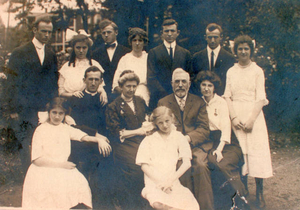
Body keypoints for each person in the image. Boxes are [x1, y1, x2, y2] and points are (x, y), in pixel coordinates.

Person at [22, 97, 111, 209]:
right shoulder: (41, 130)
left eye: (61, 113)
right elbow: (37, 160)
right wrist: (62, 165)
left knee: (81, 184)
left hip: (62, 168)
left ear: (65, 115)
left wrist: (99, 140)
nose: (57, 116)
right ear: (49, 112)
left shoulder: (65, 128)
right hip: (43, 169)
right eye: (54, 112)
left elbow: (84, 137)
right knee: (56, 191)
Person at [223, 35, 273, 209]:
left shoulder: (257, 71)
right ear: (235, 51)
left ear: (251, 50)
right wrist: (234, 117)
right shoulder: (231, 71)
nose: (243, 52)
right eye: (240, 49)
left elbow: (261, 98)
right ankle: (243, 193)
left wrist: (252, 120)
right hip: (236, 115)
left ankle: (259, 193)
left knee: (257, 155)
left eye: (246, 48)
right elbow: (227, 96)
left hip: (254, 117)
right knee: (240, 155)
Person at [7, 16, 58, 176]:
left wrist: (54, 104)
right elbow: (10, 83)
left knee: (45, 141)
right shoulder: (19, 52)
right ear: (35, 30)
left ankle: (43, 175)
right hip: (25, 107)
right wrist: (12, 109)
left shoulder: (50, 54)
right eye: (43, 31)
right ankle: (27, 176)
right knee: (26, 142)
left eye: (49, 32)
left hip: (45, 107)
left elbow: (53, 81)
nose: (47, 35)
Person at [157, 68, 213, 210]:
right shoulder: (163, 102)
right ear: (172, 84)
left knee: (200, 165)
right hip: (174, 148)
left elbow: (204, 129)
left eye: (184, 82)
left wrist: (187, 138)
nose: (180, 85)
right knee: (179, 167)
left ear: (189, 84)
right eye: (177, 82)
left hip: (195, 145)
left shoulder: (198, 102)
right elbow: (161, 129)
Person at [195, 71, 248, 209]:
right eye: (203, 85)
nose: (206, 88)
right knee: (210, 162)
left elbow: (226, 128)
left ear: (214, 87)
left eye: (210, 86)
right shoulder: (198, 102)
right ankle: (224, 201)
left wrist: (219, 149)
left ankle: (240, 196)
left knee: (220, 162)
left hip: (225, 142)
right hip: (208, 140)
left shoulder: (221, 102)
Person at [67, 66, 114, 209]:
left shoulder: (106, 98)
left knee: (104, 170)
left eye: (96, 80)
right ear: (84, 80)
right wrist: (94, 135)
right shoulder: (76, 99)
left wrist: (103, 138)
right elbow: (73, 125)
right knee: (81, 170)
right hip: (82, 141)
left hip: (103, 141)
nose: (93, 83)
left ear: (101, 81)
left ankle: (102, 203)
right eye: (90, 79)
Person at [136, 106, 199, 210]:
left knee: (190, 205)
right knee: (160, 204)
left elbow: (186, 163)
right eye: (160, 123)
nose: (165, 125)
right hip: (154, 183)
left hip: (173, 182)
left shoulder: (179, 137)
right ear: (155, 123)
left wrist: (170, 181)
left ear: (172, 119)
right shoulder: (149, 139)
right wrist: (162, 183)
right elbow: (144, 166)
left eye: (167, 121)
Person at [106, 70, 151, 209]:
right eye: (128, 86)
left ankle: (149, 200)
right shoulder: (113, 106)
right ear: (121, 87)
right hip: (124, 144)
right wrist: (140, 131)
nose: (131, 89)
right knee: (136, 165)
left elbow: (147, 116)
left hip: (143, 140)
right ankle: (132, 204)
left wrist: (147, 123)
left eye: (134, 86)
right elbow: (118, 133)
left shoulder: (140, 101)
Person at [147, 18, 192, 111]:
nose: (170, 34)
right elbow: (151, 78)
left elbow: (190, 76)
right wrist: (167, 94)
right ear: (162, 33)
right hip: (160, 97)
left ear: (178, 32)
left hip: (181, 97)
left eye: (172, 31)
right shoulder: (154, 52)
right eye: (166, 31)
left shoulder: (185, 53)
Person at [58, 33, 107, 104]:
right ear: (73, 48)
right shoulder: (66, 67)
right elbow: (61, 92)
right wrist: (72, 94)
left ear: (88, 48)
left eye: (84, 48)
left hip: (90, 103)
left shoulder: (94, 65)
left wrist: (103, 92)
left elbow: (100, 86)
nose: (81, 51)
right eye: (78, 47)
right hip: (70, 104)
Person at [192, 23, 236, 95]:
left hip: (222, 97)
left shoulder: (229, 58)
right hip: (201, 98)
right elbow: (194, 80)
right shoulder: (197, 57)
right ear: (205, 37)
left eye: (215, 37)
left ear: (221, 37)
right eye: (210, 37)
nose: (212, 40)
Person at [92, 19, 131, 101]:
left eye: (109, 32)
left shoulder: (126, 51)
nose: (106, 35)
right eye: (103, 33)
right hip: (102, 94)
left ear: (116, 32)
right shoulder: (96, 53)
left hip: (121, 93)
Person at [112, 27, 150, 105]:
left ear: (144, 42)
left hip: (145, 94)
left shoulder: (148, 58)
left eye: (140, 40)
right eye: (134, 40)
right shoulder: (125, 59)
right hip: (127, 95)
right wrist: (127, 95)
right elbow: (115, 83)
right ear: (130, 42)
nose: (137, 43)